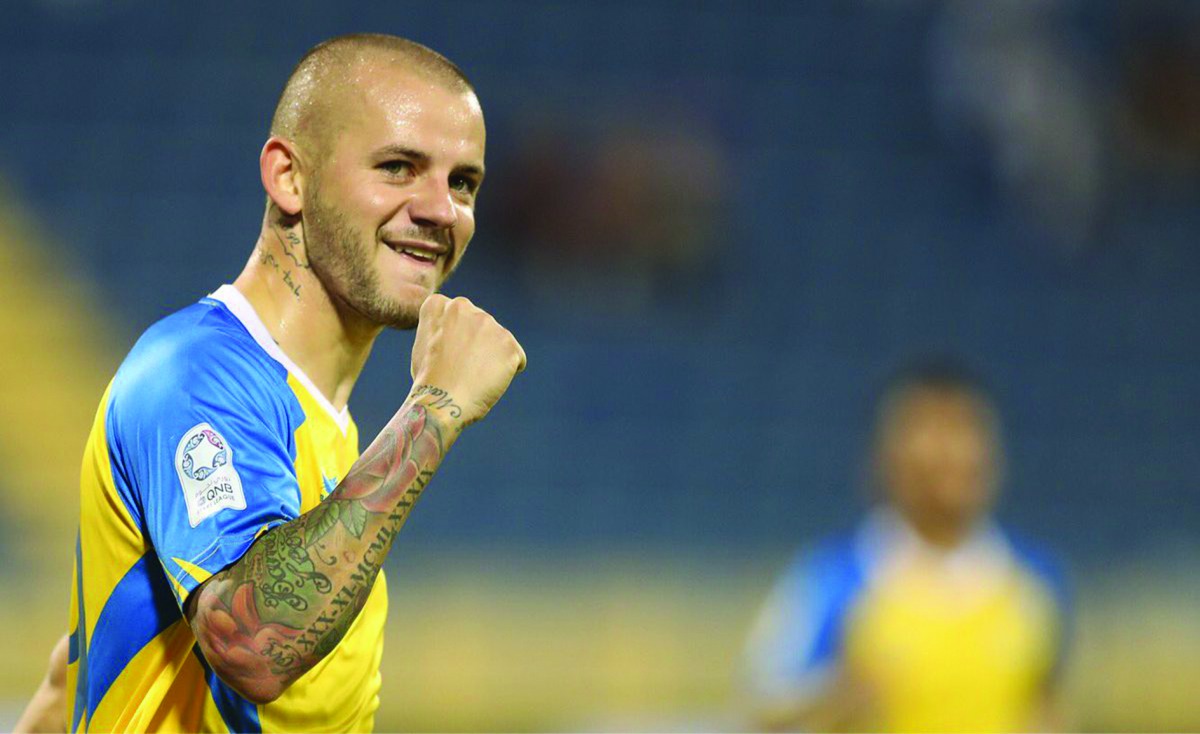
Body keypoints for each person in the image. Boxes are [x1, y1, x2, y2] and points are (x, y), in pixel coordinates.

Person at [16, 33, 525, 733]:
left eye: (462, 181)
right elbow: (248, 643)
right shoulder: (198, 374)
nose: (442, 210)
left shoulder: (326, 427)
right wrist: (434, 409)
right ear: (290, 177)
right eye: (399, 167)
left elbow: (68, 677)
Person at [741, 361, 1070, 732]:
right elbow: (762, 709)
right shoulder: (836, 576)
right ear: (886, 458)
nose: (953, 451)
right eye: (930, 432)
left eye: (966, 429)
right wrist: (839, 696)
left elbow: (1046, 707)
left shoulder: (1035, 578)